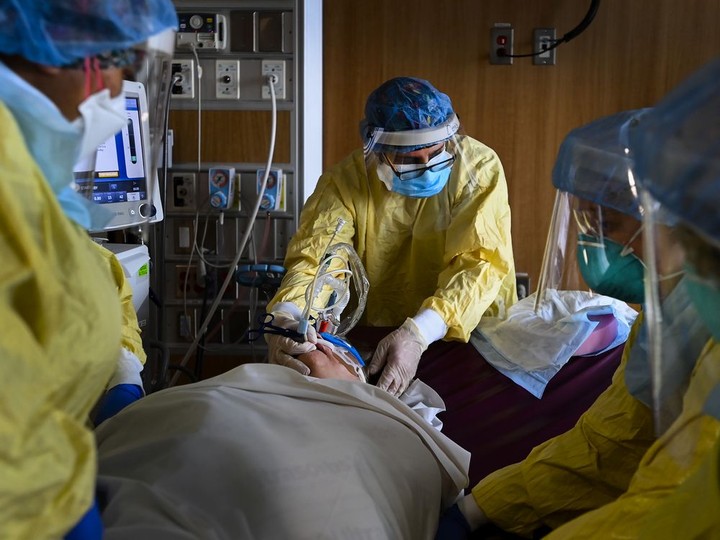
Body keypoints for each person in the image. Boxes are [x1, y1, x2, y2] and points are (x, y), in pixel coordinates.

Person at [436, 59, 720, 539]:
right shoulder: (671, 314)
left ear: (679, 223)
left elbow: (678, 503)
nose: (594, 245)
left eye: (608, 226)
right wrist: (484, 506)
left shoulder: (702, 325)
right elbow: (613, 444)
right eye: (586, 224)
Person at [0, 2, 177, 538]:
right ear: (59, 53)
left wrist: (120, 365)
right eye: (122, 62)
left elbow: (77, 269)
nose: (119, 90)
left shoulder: (23, 167)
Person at [266, 76, 517, 396]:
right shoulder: (345, 182)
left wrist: (418, 333)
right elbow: (317, 258)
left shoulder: (476, 168)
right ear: (376, 150)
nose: (427, 167)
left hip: (470, 335)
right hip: (377, 337)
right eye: (411, 160)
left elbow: (478, 264)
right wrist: (288, 315)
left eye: (436, 152)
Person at [92, 334, 469, 539]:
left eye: (330, 346)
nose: (318, 342)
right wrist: (125, 380)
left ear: (359, 373)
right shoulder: (239, 387)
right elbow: (133, 429)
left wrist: (423, 328)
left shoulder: (400, 433)